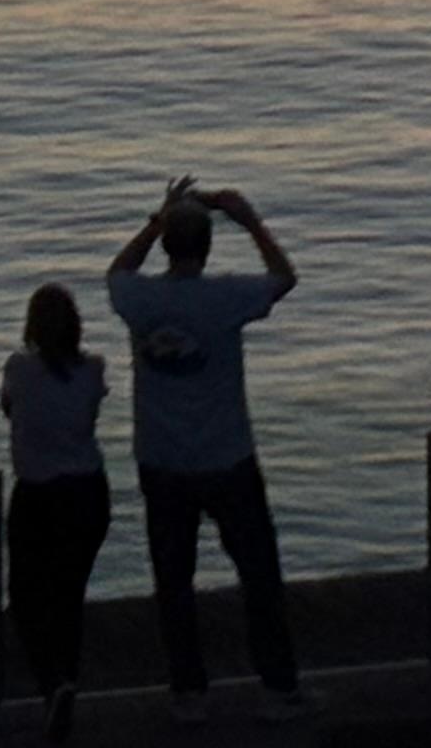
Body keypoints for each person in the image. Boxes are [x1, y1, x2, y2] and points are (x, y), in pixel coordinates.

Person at [107, 177, 307, 722]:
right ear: (208, 247)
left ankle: (189, 692)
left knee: (174, 581)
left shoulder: (139, 299)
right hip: (227, 457)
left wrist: (158, 218)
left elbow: (117, 271)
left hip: (162, 459)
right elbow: (283, 277)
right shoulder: (224, 298)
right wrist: (248, 218)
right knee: (259, 573)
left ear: (169, 245)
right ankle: (278, 686)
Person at [2, 283, 113, 741]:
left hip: (38, 495)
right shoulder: (93, 370)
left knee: (27, 597)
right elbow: (86, 417)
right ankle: (63, 681)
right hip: (87, 491)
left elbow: (11, 411)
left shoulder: (17, 369)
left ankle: (53, 683)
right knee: (69, 595)